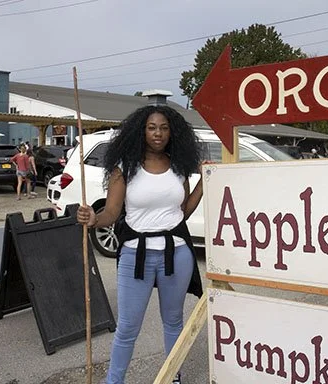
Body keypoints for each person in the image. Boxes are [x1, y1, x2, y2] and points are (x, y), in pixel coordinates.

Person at [76, 105, 205, 384]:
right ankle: (114, 381)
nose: (158, 133)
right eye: (151, 127)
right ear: (141, 131)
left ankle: (174, 377)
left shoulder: (179, 167)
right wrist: (93, 219)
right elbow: (111, 213)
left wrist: (204, 184)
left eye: (163, 128)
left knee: (173, 323)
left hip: (176, 252)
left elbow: (181, 212)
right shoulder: (124, 169)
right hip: (136, 255)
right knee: (127, 328)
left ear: (172, 132)